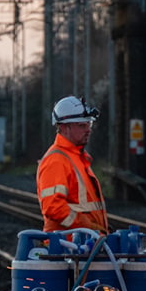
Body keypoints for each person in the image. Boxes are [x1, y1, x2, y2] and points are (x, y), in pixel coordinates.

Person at [37, 96, 109, 234]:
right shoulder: (57, 160)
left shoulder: (76, 158)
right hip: (66, 248)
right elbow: (53, 207)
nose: (88, 129)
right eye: (82, 125)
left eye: (89, 124)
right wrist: (87, 227)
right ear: (64, 127)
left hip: (81, 246)